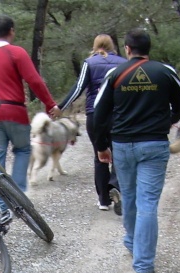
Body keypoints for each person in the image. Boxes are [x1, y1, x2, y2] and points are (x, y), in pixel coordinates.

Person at [92, 28, 180, 273]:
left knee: (131, 197)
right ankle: (143, 262)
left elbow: (98, 114)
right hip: (154, 145)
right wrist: (165, 122)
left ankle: (134, 244)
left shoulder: (115, 74)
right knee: (147, 205)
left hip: (122, 146)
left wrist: (102, 146)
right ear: (148, 49)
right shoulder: (165, 72)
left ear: (127, 49)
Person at [0, 15, 61, 199]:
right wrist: (50, 104)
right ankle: (17, 194)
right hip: (14, 112)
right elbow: (35, 81)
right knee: (23, 149)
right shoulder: (16, 52)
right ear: (11, 31)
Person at [58, 34, 126, 214]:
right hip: (119, 115)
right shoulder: (123, 63)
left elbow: (78, 88)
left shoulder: (90, 63)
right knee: (119, 155)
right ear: (112, 46)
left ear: (95, 46)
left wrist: (60, 107)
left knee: (100, 156)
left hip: (95, 115)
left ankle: (104, 199)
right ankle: (116, 188)